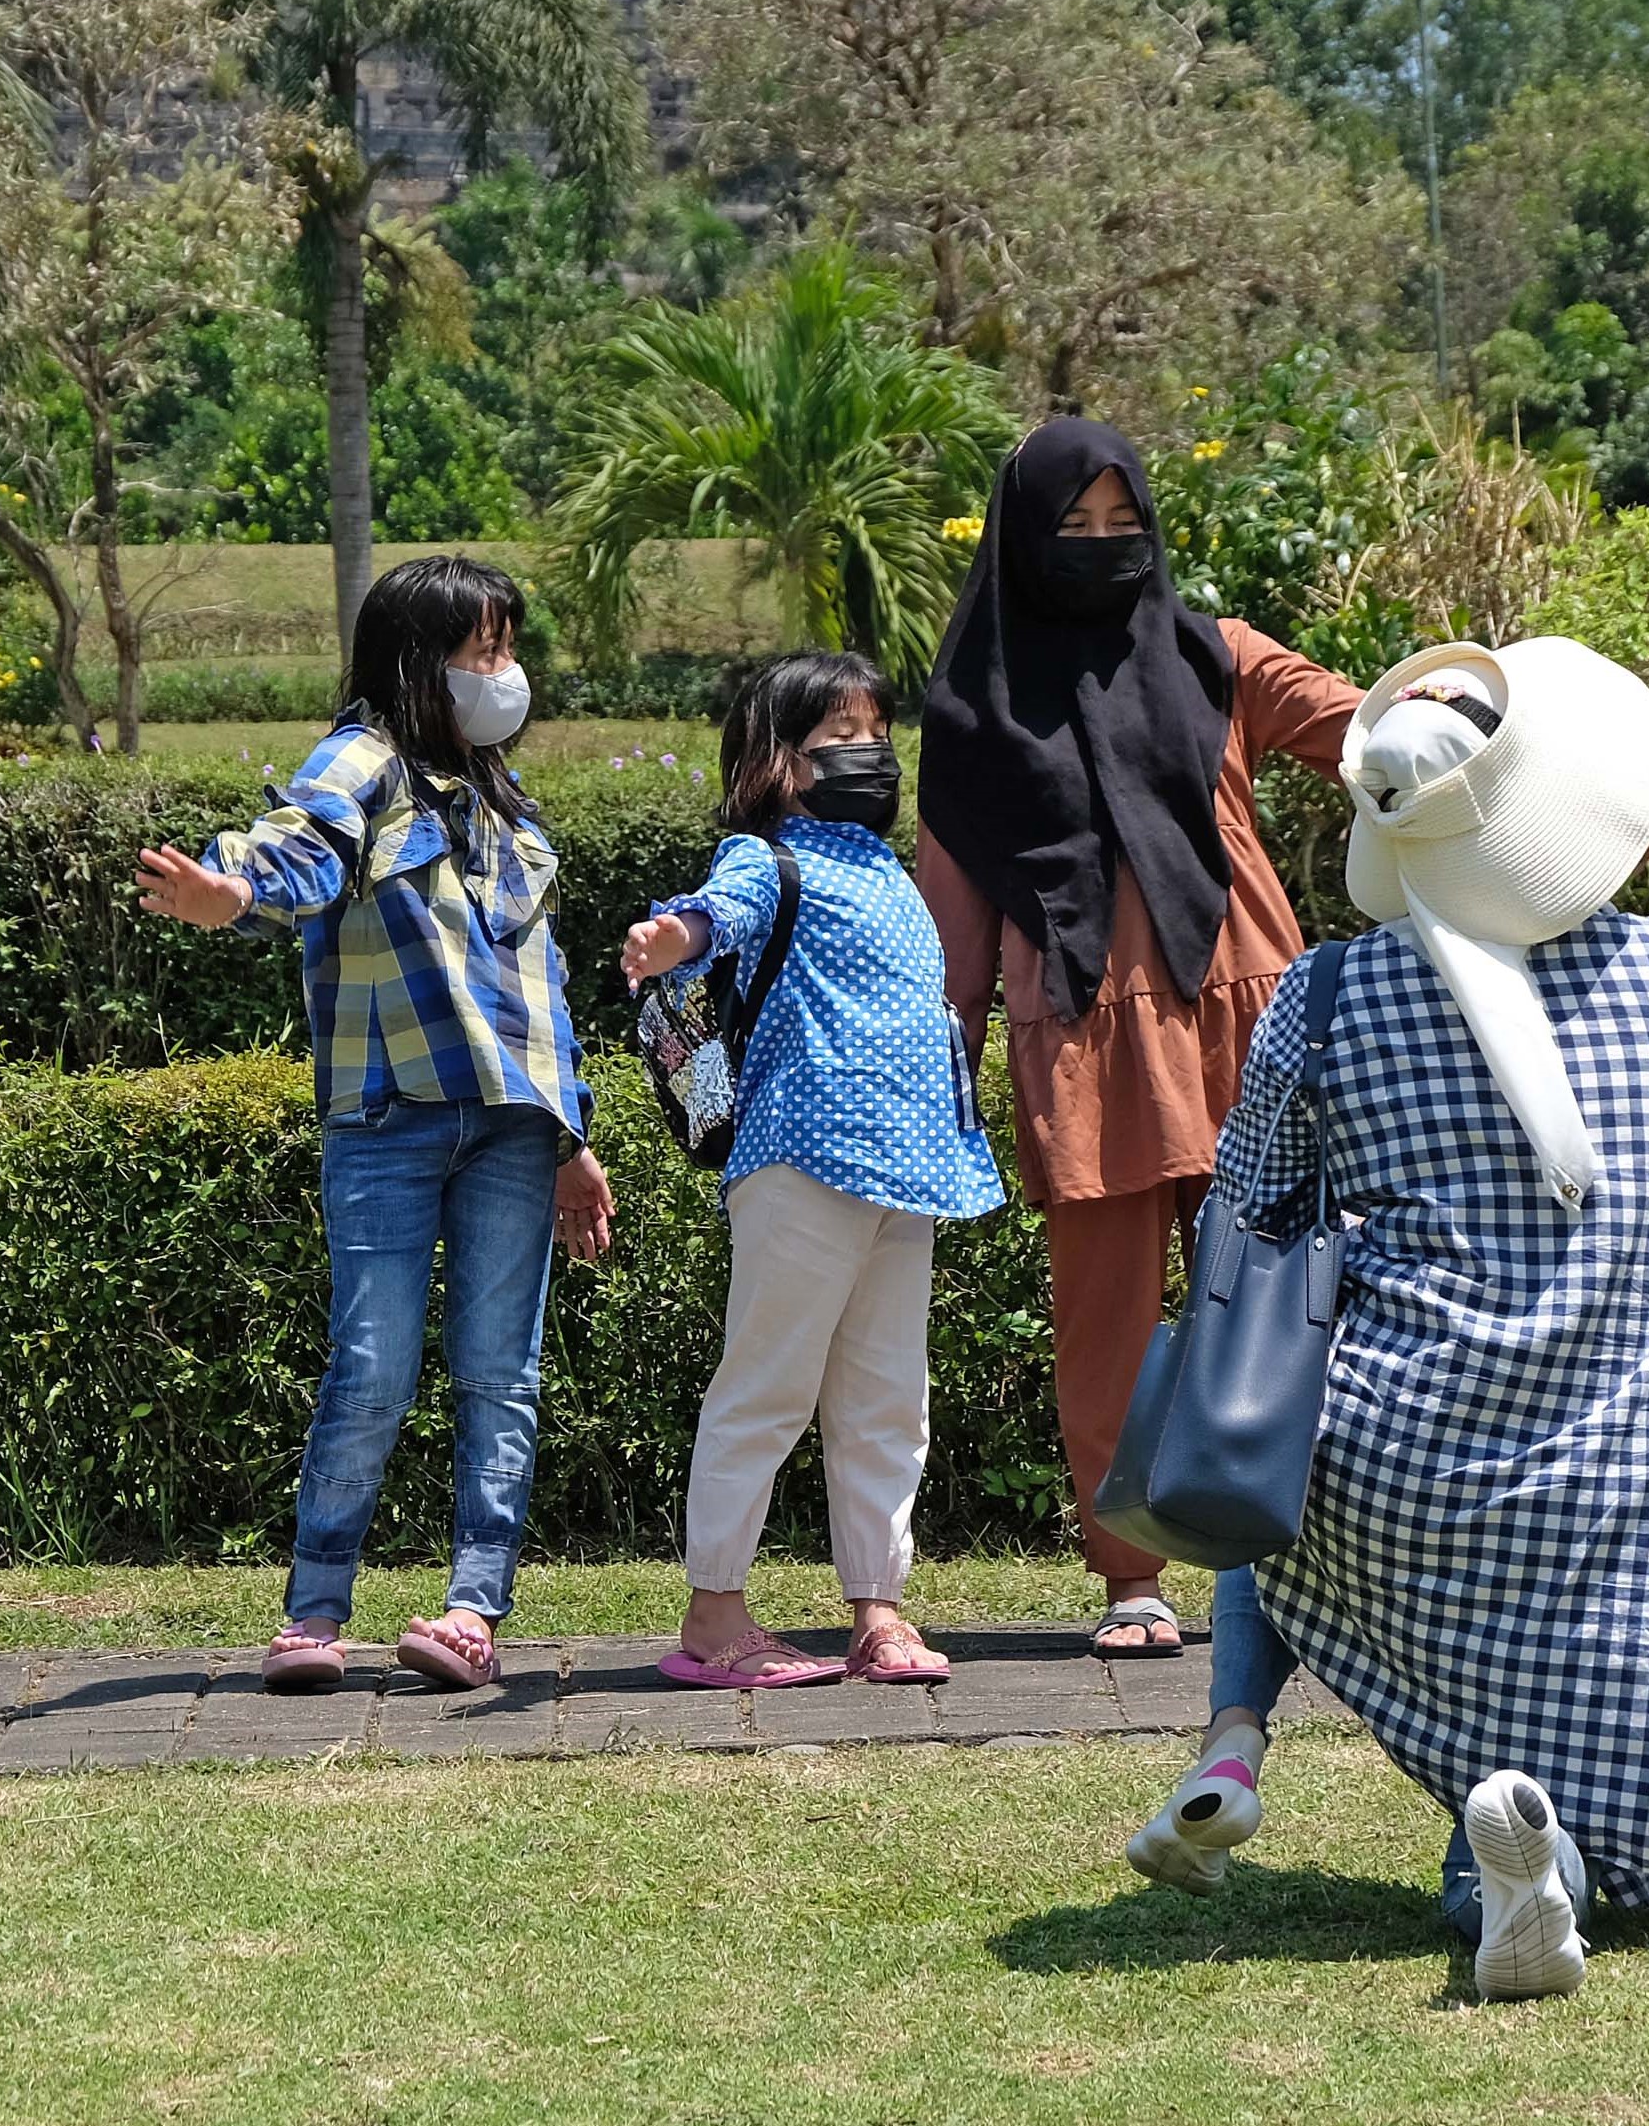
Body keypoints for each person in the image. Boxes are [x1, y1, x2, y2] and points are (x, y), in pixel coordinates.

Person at [1122, 637, 1649, 2003]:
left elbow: (1251, 1212)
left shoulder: (1327, 996)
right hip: (1639, 1456)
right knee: (1605, 1690)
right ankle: (1523, 1859)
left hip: (1406, 1466)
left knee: (1280, 1468)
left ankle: (1248, 1746)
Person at [915, 417, 1358, 1658]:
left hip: (1247, 1018)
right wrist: (934, 1062)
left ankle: (1312, 1560)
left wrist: (1445, 708)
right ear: (1020, 539)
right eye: (1073, 528)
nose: (1105, 550)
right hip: (1078, 1030)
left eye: (1127, 525)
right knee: (1103, 1315)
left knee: (1282, 1300)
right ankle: (1132, 1580)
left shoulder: (1217, 656)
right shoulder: (973, 713)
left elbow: (1352, 726)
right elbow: (949, 925)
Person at [135, 555, 615, 1696]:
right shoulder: (364, 759)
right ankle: (313, 1613)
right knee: (370, 1367)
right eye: (483, 651)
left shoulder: (504, 803)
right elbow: (297, 844)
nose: (504, 674)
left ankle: (469, 1612)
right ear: (417, 659)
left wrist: (571, 1137)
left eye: (506, 648)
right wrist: (231, 894)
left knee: (502, 1373)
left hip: (510, 1128)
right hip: (387, 1118)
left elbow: (537, 993)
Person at [622, 652, 1007, 1691]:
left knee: (887, 1398)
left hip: (901, 1168)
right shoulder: (766, 858)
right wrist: (674, 937)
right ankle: (713, 1614)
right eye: (838, 736)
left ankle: (878, 1610)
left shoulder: (888, 873)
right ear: (775, 762)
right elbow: (720, 913)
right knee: (767, 1385)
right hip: (799, 1160)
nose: (867, 753)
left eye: (874, 731)